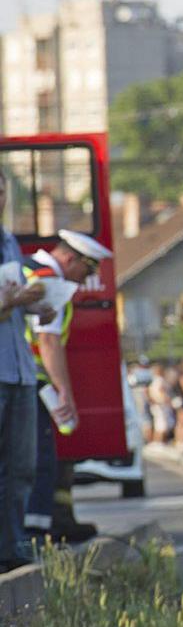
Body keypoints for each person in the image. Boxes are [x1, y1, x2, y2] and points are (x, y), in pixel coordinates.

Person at [23, 229, 112, 543]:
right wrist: (65, 393)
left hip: (20, 378)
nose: (84, 280)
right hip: (30, 383)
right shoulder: (50, 282)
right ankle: (34, 537)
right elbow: (47, 341)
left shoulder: (26, 267)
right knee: (39, 461)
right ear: (70, 258)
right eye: (86, 271)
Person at [0, 171, 52, 572]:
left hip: (18, 369)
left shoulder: (8, 241)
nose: (0, 198)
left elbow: (14, 301)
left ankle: (12, 545)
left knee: (21, 464)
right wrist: (18, 298)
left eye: (2, 192)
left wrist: (38, 306)